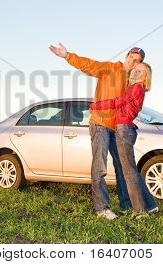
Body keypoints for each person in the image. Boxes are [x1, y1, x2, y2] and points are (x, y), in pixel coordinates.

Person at [49, 43, 146, 220]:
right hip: (100, 124)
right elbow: (89, 65)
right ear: (126, 56)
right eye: (131, 58)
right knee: (100, 167)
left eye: (137, 61)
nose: (132, 62)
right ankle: (102, 208)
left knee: (121, 167)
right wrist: (67, 55)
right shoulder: (109, 68)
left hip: (118, 128)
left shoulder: (132, 81)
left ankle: (126, 205)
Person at [90, 62, 159, 216]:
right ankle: (148, 206)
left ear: (146, 76)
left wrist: (96, 106)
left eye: (140, 71)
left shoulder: (136, 88)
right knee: (129, 170)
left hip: (123, 129)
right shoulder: (134, 88)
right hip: (123, 128)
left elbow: (117, 102)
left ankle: (140, 211)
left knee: (129, 172)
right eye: (134, 69)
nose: (135, 72)